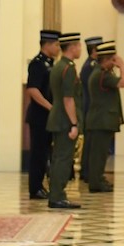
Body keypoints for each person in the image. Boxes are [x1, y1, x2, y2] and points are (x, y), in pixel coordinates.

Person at [46, 32, 84, 209]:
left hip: (58, 117)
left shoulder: (59, 65)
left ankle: (56, 194)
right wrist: (74, 123)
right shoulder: (68, 68)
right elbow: (68, 99)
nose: (80, 49)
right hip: (64, 120)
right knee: (63, 158)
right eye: (79, 46)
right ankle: (57, 196)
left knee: (59, 158)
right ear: (73, 47)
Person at [84, 41, 124, 193]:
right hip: (100, 120)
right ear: (107, 59)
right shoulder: (102, 75)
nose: (114, 62)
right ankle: (95, 183)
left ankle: (98, 178)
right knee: (98, 154)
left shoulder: (101, 73)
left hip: (101, 120)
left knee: (101, 153)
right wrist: (122, 66)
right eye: (113, 59)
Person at [26, 29, 60, 200]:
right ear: (46, 44)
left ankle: (41, 185)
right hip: (39, 116)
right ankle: (35, 188)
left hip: (48, 116)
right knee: (38, 153)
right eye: (56, 45)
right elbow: (32, 90)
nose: (58, 48)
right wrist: (50, 107)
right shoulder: (37, 64)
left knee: (46, 152)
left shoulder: (51, 63)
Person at [79, 36, 102, 181]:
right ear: (94, 50)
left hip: (91, 107)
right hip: (89, 107)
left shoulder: (92, 65)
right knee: (90, 142)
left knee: (92, 141)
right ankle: (86, 172)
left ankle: (88, 171)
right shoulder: (90, 67)